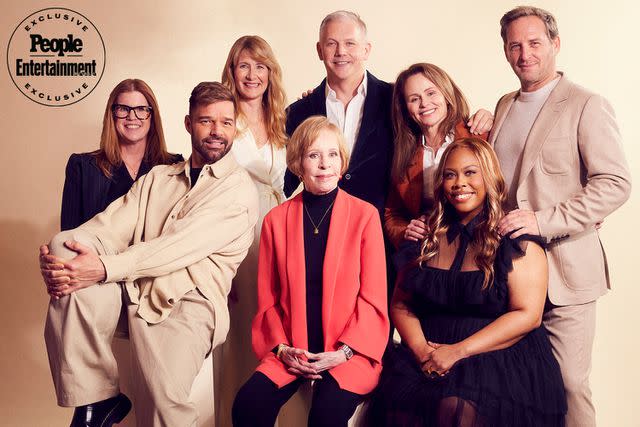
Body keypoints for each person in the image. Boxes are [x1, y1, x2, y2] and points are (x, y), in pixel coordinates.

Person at [39, 82, 259, 427]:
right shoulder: (159, 178)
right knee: (65, 247)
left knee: (163, 402)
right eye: (206, 121)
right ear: (188, 124)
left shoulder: (238, 191)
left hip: (189, 301)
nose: (217, 131)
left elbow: (174, 249)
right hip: (132, 288)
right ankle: (97, 400)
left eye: (226, 123)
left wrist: (103, 268)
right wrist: (60, 255)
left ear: (235, 126)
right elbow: (108, 227)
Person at [489, 6, 631, 426]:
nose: (524, 53)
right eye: (514, 45)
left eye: (534, 43)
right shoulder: (502, 106)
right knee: (516, 385)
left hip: (566, 272)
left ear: (555, 43)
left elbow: (615, 183)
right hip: (509, 272)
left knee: (568, 383)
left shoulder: (587, 104)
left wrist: (543, 219)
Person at [369, 137, 566, 426]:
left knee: (456, 410)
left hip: (496, 355)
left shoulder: (515, 240)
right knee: (398, 409)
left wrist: (458, 352)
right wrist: (423, 351)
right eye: (450, 175)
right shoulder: (425, 238)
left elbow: (528, 315)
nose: (459, 183)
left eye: (470, 172)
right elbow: (400, 303)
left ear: (489, 177)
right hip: (429, 349)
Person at [232, 116, 389, 427]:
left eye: (332, 155)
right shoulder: (276, 220)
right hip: (294, 350)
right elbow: (268, 298)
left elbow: (372, 299)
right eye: (313, 155)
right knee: (247, 406)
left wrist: (344, 352)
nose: (324, 164)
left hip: (349, 353)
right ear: (298, 164)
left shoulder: (364, 216)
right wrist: (282, 348)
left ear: (342, 162)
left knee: (325, 417)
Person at [215, 35, 288, 427]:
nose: (252, 74)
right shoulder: (223, 120)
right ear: (232, 70)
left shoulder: (282, 120)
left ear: (270, 73)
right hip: (237, 237)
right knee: (240, 332)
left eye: (260, 66)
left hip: (278, 235)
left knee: (276, 328)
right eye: (244, 65)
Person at [384, 63, 489, 251]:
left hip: (476, 249)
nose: (424, 104)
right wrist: (405, 231)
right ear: (405, 107)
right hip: (427, 253)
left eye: (431, 93)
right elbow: (393, 213)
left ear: (447, 94)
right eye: (414, 99)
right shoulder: (403, 152)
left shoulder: (478, 136)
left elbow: (499, 195)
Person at [60, 78, 182, 231]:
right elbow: (69, 236)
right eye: (123, 109)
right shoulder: (82, 167)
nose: (132, 116)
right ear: (112, 114)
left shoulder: (174, 166)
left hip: (154, 255)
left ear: (152, 115)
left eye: (141, 109)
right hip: (94, 254)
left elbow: (177, 231)